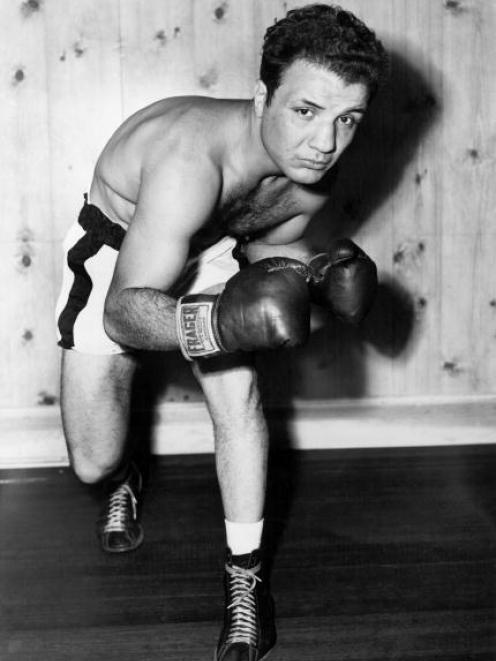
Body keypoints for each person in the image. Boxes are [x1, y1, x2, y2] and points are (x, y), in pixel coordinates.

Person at [55, 4, 387, 659]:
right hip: (120, 249)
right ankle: (126, 475)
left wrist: (315, 273)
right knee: (92, 459)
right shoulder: (188, 160)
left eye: (347, 119)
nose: (326, 142)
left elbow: (263, 263)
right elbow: (126, 309)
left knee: (240, 397)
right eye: (305, 111)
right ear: (264, 95)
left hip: (210, 246)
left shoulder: (311, 178)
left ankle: (247, 579)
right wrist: (217, 321)